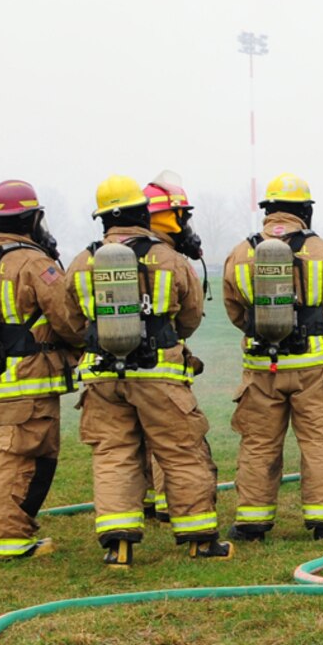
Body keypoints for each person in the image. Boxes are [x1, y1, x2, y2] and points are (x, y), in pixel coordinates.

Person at [65, 175, 228, 565]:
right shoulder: (170, 258)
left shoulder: (83, 260)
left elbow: (70, 319)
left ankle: (118, 548)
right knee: (181, 450)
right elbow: (190, 316)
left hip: (102, 375)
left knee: (113, 453)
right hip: (160, 373)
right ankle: (199, 540)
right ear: (143, 211)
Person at [0, 180, 85, 560]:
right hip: (28, 380)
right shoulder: (33, 262)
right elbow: (68, 320)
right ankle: (9, 540)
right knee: (22, 458)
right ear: (31, 219)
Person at [220, 172, 323, 540]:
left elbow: (235, 312)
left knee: (258, 442)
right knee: (321, 439)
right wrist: (321, 336)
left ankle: (251, 522)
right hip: (314, 366)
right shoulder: (322, 249)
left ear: (268, 212)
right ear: (304, 212)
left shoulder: (241, 252)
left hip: (262, 367)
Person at [136, 171, 209, 525]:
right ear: (170, 216)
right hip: (162, 362)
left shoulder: (100, 257)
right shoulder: (172, 260)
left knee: (126, 441)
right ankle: (168, 503)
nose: (187, 224)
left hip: (108, 368)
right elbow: (191, 315)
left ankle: (144, 501)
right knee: (173, 435)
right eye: (183, 216)